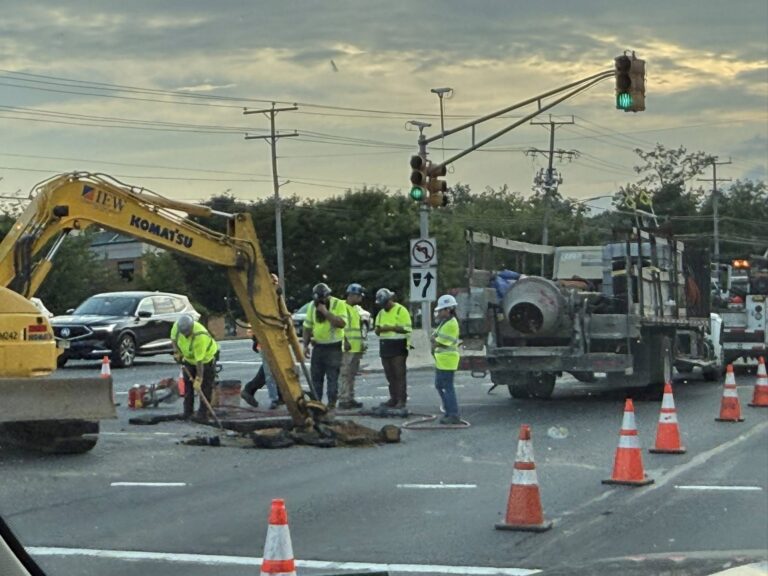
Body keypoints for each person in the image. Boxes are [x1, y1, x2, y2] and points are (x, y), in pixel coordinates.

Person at [302, 282, 347, 408]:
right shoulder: (312, 306)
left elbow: (341, 323)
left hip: (333, 347)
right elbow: (307, 326)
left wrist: (325, 312)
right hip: (318, 347)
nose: (320, 302)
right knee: (316, 377)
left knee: (332, 377)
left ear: (328, 296)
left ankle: (331, 403)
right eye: (318, 300)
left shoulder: (338, 304)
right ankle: (317, 404)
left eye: (323, 299)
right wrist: (305, 345)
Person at [171, 314, 219, 420]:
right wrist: (176, 352)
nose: (185, 336)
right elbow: (173, 340)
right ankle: (188, 412)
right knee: (188, 386)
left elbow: (199, 361)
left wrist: (199, 379)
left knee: (205, 387)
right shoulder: (177, 327)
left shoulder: (200, 336)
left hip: (206, 359)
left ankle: (203, 413)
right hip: (188, 359)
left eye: (187, 334)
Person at [374, 288, 412, 409]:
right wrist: (380, 330)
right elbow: (377, 330)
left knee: (399, 374)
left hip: (398, 346)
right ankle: (393, 398)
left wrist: (391, 328)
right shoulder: (381, 313)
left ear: (390, 300)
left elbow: (407, 329)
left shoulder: (401, 310)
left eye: (385, 303)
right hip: (385, 346)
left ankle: (401, 399)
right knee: (390, 375)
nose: (384, 306)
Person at [432, 294, 462, 425]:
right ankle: (448, 410)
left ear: (448, 309)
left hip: (447, 360)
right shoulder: (445, 322)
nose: (439, 313)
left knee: (447, 387)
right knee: (440, 385)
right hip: (442, 360)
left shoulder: (451, 324)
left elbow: (441, 342)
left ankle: (453, 414)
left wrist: (434, 341)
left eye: (441, 310)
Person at [339, 283, 366, 409]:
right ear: (351, 295)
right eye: (359, 295)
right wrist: (344, 341)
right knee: (345, 374)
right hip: (346, 348)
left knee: (351, 375)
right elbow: (340, 327)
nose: (361, 298)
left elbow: (357, 329)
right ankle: (344, 399)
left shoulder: (356, 309)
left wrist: (361, 344)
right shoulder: (342, 307)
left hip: (355, 347)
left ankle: (350, 397)